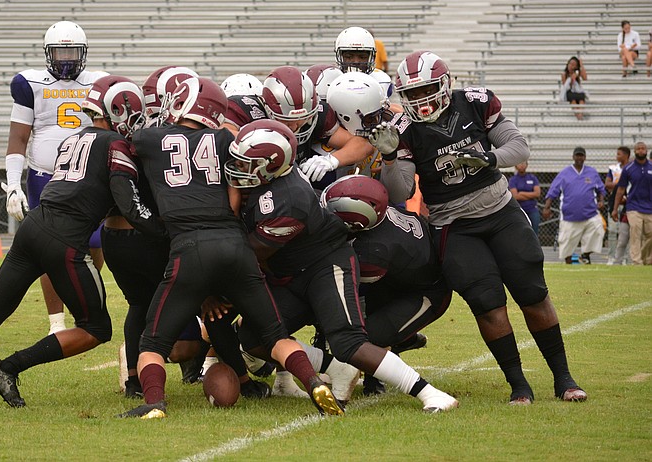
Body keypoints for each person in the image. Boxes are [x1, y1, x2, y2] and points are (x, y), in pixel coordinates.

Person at [0, 76, 164, 409]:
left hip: (33, 227)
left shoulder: (73, 139)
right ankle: (8, 368)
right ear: (120, 111)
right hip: (65, 240)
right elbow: (129, 204)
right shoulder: (115, 145)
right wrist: (164, 232)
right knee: (96, 328)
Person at [369, 50, 587, 405]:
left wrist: (490, 158)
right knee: (487, 304)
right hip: (455, 226)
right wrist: (390, 158)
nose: (420, 100)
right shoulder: (403, 130)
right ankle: (518, 385)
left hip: (501, 212)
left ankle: (563, 377)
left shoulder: (475, 102)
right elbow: (401, 191)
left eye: (426, 90)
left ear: (445, 84)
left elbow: (518, 147)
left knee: (532, 293)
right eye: (412, 93)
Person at [123, 77, 342, 419]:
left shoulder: (149, 138)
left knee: (152, 343)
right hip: (236, 244)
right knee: (276, 336)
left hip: (189, 245)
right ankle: (314, 382)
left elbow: (132, 151)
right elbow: (235, 188)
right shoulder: (226, 138)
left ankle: (154, 402)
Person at [227, 120, 458, 412]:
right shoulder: (271, 184)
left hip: (324, 266)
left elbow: (250, 252)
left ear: (272, 167)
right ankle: (333, 367)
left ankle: (429, 393)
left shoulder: (289, 201)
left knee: (349, 343)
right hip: (293, 272)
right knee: (252, 335)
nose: (237, 167)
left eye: (248, 163)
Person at [4, 20, 109, 335]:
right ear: (48, 53)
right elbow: (19, 138)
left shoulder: (100, 82)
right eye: (60, 51)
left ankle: (81, 299)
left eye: (72, 51)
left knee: (94, 245)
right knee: (51, 250)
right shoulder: (31, 83)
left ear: (83, 53)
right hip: (45, 176)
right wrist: (12, 185)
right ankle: (56, 324)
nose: (66, 59)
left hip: (90, 176)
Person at [320, 174, 451, 396]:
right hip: (396, 279)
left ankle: (399, 344)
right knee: (367, 322)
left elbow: (353, 285)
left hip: (426, 292)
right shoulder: (377, 212)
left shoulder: (374, 249)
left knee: (366, 339)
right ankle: (402, 340)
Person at [223, 66, 371, 189]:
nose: (294, 127)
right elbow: (221, 134)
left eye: (301, 120)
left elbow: (362, 145)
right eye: (286, 121)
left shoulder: (319, 114)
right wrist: (257, 141)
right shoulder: (248, 109)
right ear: (267, 109)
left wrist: (331, 161)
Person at [542, 147, 606, 265]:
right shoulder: (565, 173)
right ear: (573, 157)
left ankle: (585, 255)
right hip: (569, 215)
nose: (579, 158)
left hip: (590, 213)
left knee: (598, 229)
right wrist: (547, 207)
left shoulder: (592, 172)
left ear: (585, 157)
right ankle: (568, 264)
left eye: (581, 155)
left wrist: (601, 201)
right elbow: (553, 191)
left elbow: (601, 189)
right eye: (577, 155)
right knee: (567, 242)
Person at [613, 141, 652, 265]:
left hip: (650, 207)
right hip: (633, 207)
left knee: (650, 236)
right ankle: (637, 261)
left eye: (643, 149)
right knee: (635, 234)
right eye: (638, 149)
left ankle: (646, 259)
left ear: (646, 151)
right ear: (635, 152)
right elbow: (620, 189)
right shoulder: (628, 169)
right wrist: (615, 208)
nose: (641, 151)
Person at [605, 146, 631, 265]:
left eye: (619, 154)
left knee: (626, 233)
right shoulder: (613, 168)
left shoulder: (631, 168)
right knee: (612, 231)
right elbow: (607, 184)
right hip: (615, 203)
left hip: (628, 204)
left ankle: (625, 257)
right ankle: (611, 256)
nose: (617, 156)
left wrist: (617, 184)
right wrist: (620, 184)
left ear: (626, 155)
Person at [508, 161, 541, 235]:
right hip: (519, 209)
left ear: (527, 165)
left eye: (523, 163)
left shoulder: (532, 178)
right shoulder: (513, 180)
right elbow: (515, 196)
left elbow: (537, 193)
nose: (522, 165)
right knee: (519, 232)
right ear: (516, 166)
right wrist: (531, 195)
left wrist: (522, 193)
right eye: (519, 163)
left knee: (534, 231)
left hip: (532, 209)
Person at [560, 56, 587, 120]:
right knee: (573, 99)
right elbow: (566, 87)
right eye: (570, 64)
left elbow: (585, 78)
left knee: (581, 97)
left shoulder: (577, 73)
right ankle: (578, 116)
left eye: (573, 65)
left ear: (576, 67)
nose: (570, 66)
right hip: (569, 92)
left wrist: (581, 65)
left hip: (577, 91)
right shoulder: (564, 74)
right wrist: (572, 80)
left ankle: (580, 114)